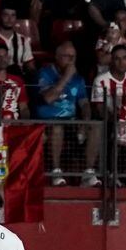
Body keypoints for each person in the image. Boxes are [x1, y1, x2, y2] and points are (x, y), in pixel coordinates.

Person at [36, 42, 99, 187]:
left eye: (73, 57)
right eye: (66, 56)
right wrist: (66, 76)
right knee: (57, 128)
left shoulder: (78, 79)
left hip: (71, 121)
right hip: (48, 122)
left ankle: (88, 174)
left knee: (95, 126)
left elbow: (84, 104)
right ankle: (56, 172)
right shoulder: (45, 72)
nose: (70, 60)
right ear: (57, 57)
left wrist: (85, 121)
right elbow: (48, 98)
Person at [91, 44, 126, 147]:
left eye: (124, 58)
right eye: (117, 59)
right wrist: (118, 120)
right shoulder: (101, 80)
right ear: (111, 61)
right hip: (109, 122)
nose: (121, 62)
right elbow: (100, 109)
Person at [0, 5, 34, 75]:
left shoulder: (23, 40)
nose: (9, 19)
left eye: (13, 15)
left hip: (19, 78)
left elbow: (30, 64)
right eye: (6, 15)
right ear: (0, 17)